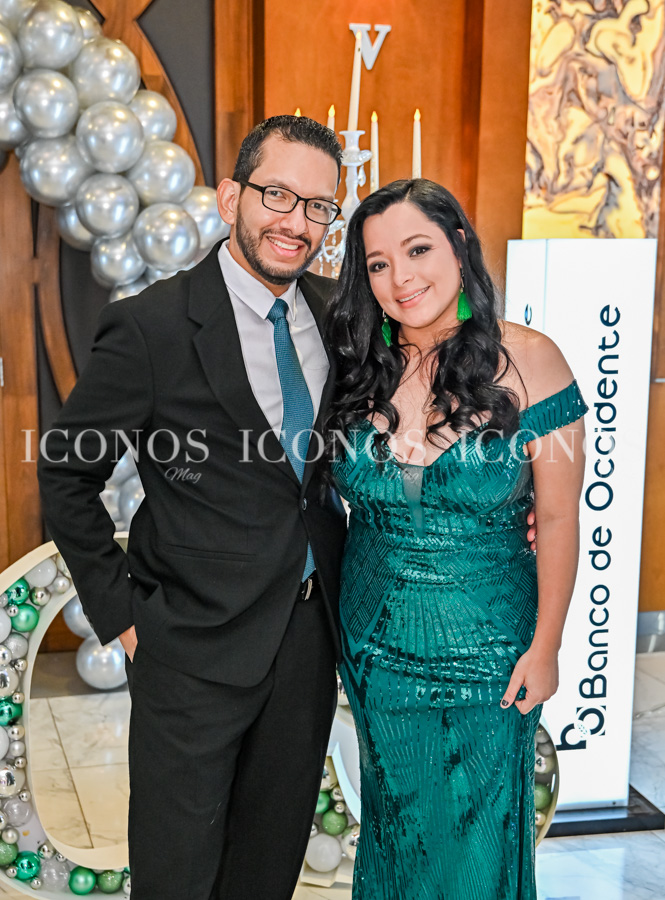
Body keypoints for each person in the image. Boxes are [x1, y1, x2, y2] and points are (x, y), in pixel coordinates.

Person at [37, 115, 349, 900]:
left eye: (318, 206)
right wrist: (125, 618)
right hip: (189, 647)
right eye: (278, 195)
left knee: (267, 866)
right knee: (177, 874)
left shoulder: (340, 316)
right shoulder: (152, 326)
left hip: (307, 640)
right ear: (231, 198)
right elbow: (66, 476)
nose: (296, 222)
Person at [324, 179, 587, 900]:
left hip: (491, 647)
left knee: (481, 840)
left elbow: (558, 519)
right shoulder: (353, 366)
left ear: (459, 246)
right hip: (374, 644)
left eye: (418, 250)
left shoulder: (531, 359)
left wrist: (546, 647)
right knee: (397, 830)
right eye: (378, 264)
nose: (400, 278)